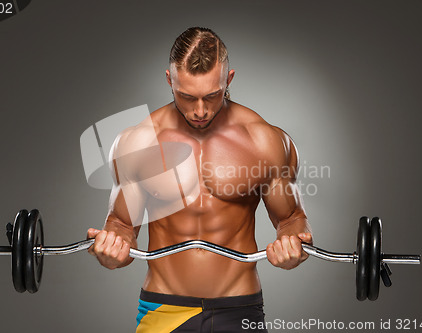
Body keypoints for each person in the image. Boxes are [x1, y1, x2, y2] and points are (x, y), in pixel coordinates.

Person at [87, 27, 313, 333]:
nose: (200, 111)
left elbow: (292, 220)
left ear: (228, 79)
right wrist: (111, 251)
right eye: (186, 96)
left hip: (239, 307)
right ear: (169, 80)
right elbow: (122, 227)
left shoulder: (265, 141)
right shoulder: (138, 143)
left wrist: (292, 250)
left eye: (212, 95)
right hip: (164, 308)